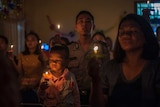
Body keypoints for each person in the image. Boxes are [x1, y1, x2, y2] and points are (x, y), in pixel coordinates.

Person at [88, 13, 160, 107]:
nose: (126, 35)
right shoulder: (110, 67)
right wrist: (95, 80)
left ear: (145, 36)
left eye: (133, 31)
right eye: (121, 32)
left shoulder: (156, 68)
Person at [67, 10, 95, 105]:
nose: (84, 25)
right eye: (81, 21)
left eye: (88, 21)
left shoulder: (101, 49)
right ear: (76, 27)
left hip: (95, 95)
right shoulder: (69, 50)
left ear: (93, 26)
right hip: (73, 96)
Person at [17, 31, 48, 103]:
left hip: (37, 83)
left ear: (37, 42)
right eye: (28, 40)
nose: (30, 42)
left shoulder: (41, 55)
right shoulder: (21, 55)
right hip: (24, 83)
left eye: (33, 40)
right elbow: (19, 72)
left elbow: (45, 69)